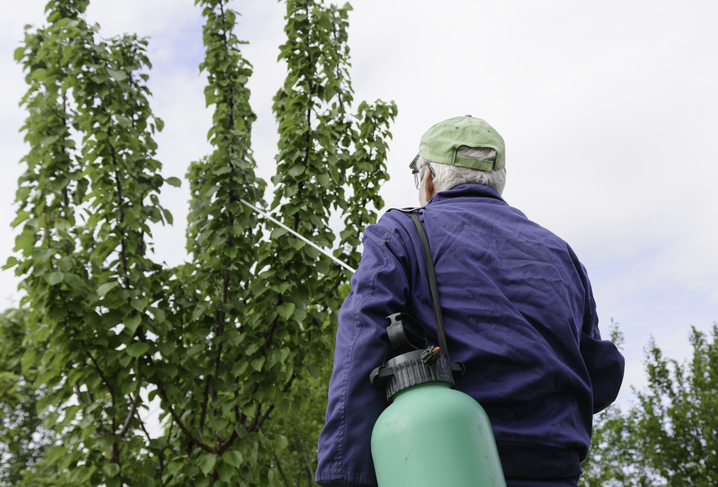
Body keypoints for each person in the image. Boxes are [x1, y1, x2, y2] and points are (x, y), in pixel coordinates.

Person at [315, 115, 625, 487]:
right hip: (556, 467)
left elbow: (360, 344)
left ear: (428, 180)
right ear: (500, 180)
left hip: (445, 460)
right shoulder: (560, 252)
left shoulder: (399, 233)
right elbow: (600, 371)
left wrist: (343, 475)